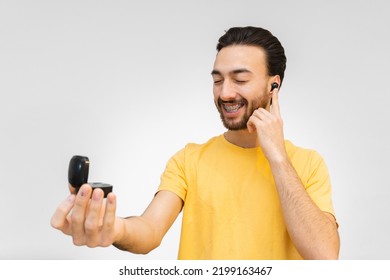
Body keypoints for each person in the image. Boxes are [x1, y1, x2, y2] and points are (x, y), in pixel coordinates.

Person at [51, 26, 340, 260]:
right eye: (218, 80)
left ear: (273, 85)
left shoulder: (307, 163)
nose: (225, 92)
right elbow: (149, 230)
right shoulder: (189, 159)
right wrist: (115, 229)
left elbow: (324, 256)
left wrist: (277, 156)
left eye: (240, 79)